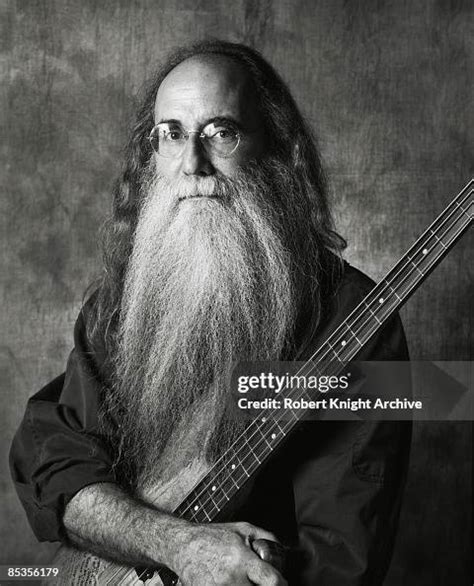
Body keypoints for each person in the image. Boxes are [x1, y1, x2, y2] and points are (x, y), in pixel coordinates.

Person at [10, 40, 411, 585]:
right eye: (171, 134)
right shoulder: (120, 302)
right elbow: (54, 459)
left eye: (221, 132)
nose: (192, 164)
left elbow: (340, 561)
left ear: (278, 153)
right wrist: (176, 544)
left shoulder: (357, 322)